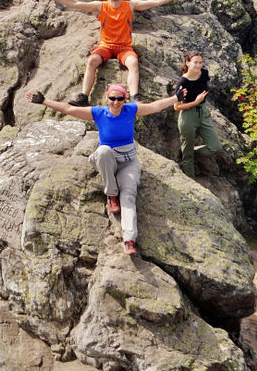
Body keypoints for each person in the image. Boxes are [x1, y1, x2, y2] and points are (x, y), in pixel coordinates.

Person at [26, 84, 177, 255]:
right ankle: (111, 194)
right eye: (112, 98)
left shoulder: (131, 110)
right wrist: (44, 101)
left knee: (128, 196)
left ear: (125, 99)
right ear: (107, 99)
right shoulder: (99, 113)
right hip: (108, 160)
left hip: (128, 162)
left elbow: (154, 106)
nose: (116, 102)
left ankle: (129, 239)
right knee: (104, 151)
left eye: (120, 98)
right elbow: (68, 109)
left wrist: (176, 98)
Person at [36, 0, 196, 106]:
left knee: (133, 62)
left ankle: (134, 97)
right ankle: (84, 97)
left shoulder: (130, 5)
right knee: (92, 61)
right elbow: (76, 4)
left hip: (124, 47)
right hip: (105, 46)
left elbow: (155, 2)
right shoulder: (101, 6)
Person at [172, 51, 223, 178]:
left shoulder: (204, 73)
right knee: (187, 156)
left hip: (203, 112)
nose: (198, 65)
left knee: (215, 147)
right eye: (195, 62)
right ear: (187, 63)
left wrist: (200, 103)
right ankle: (191, 180)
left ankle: (188, 153)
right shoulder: (182, 82)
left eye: (200, 62)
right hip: (188, 116)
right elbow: (176, 107)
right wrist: (195, 102)